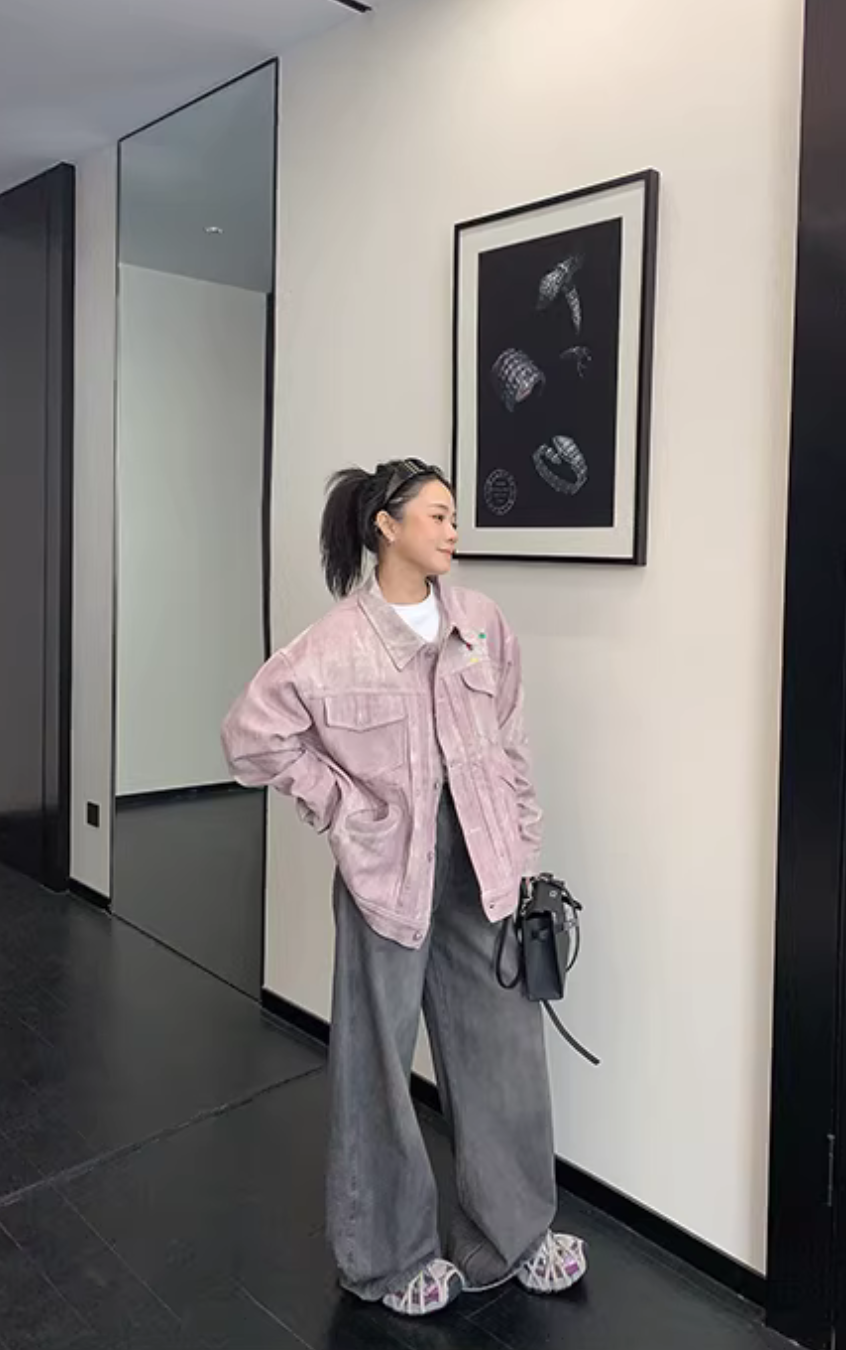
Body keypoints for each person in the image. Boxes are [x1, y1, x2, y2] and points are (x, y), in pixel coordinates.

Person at [221, 459, 587, 1317]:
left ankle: (514, 1236)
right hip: (387, 877)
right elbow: (250, 737)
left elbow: (510, 740)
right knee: (377, 1067)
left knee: (505, 1053)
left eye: (455, 517)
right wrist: (345, 808)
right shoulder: (333, 646)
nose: (453, 531)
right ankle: (387, 1260)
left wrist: (523, 845)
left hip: (484, 869)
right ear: (386, 526)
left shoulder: (482, 625)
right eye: (437, 516)